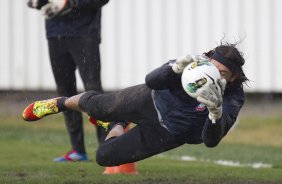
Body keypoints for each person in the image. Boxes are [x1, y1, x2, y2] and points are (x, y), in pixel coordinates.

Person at [22, 41, 249, 166]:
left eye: (223, 73)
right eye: (213, 67)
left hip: (169, 133)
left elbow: (210, 142)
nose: (215, 76)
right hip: (148, 99)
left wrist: (215, 112)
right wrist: (174, 68)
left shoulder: (234, 97)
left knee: (105, 157)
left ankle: (115, 125)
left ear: (234, 77)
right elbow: (151, 81)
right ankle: (59, 104)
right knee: (97, 107)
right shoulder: (194, 65)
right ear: (207, 59)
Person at [27, 0, 109, 162]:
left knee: (93, 91)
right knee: (65, 93)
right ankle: (78, 151)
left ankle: (106, 147)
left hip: (84, 34)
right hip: (55, 35)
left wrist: (71, 3)